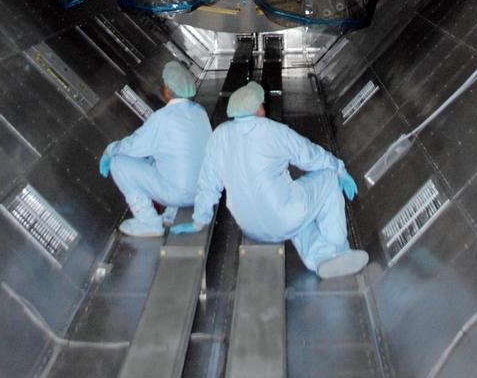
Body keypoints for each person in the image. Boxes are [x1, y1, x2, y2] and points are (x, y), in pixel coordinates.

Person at [171, 80, 369, 280]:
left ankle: (319, 258)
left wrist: (199, 220)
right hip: (284, 218)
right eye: (262, 104)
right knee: (328, 177)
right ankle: (339, 248)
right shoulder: (274, 131)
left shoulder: (219, 135)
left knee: (294, 212)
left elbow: (207, 183)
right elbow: (311, 156)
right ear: (257, 108)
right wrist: (340, 170)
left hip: (249, 226)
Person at [99, 61, 211, 237]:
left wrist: (110, 150)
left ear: (168, 90)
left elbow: (134, 146)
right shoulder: (200, 112)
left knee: (118, 163)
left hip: (178, 194)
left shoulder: (163, 118)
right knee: (164, 160)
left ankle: (148, 222)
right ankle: (170, 212)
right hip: (200, 193)